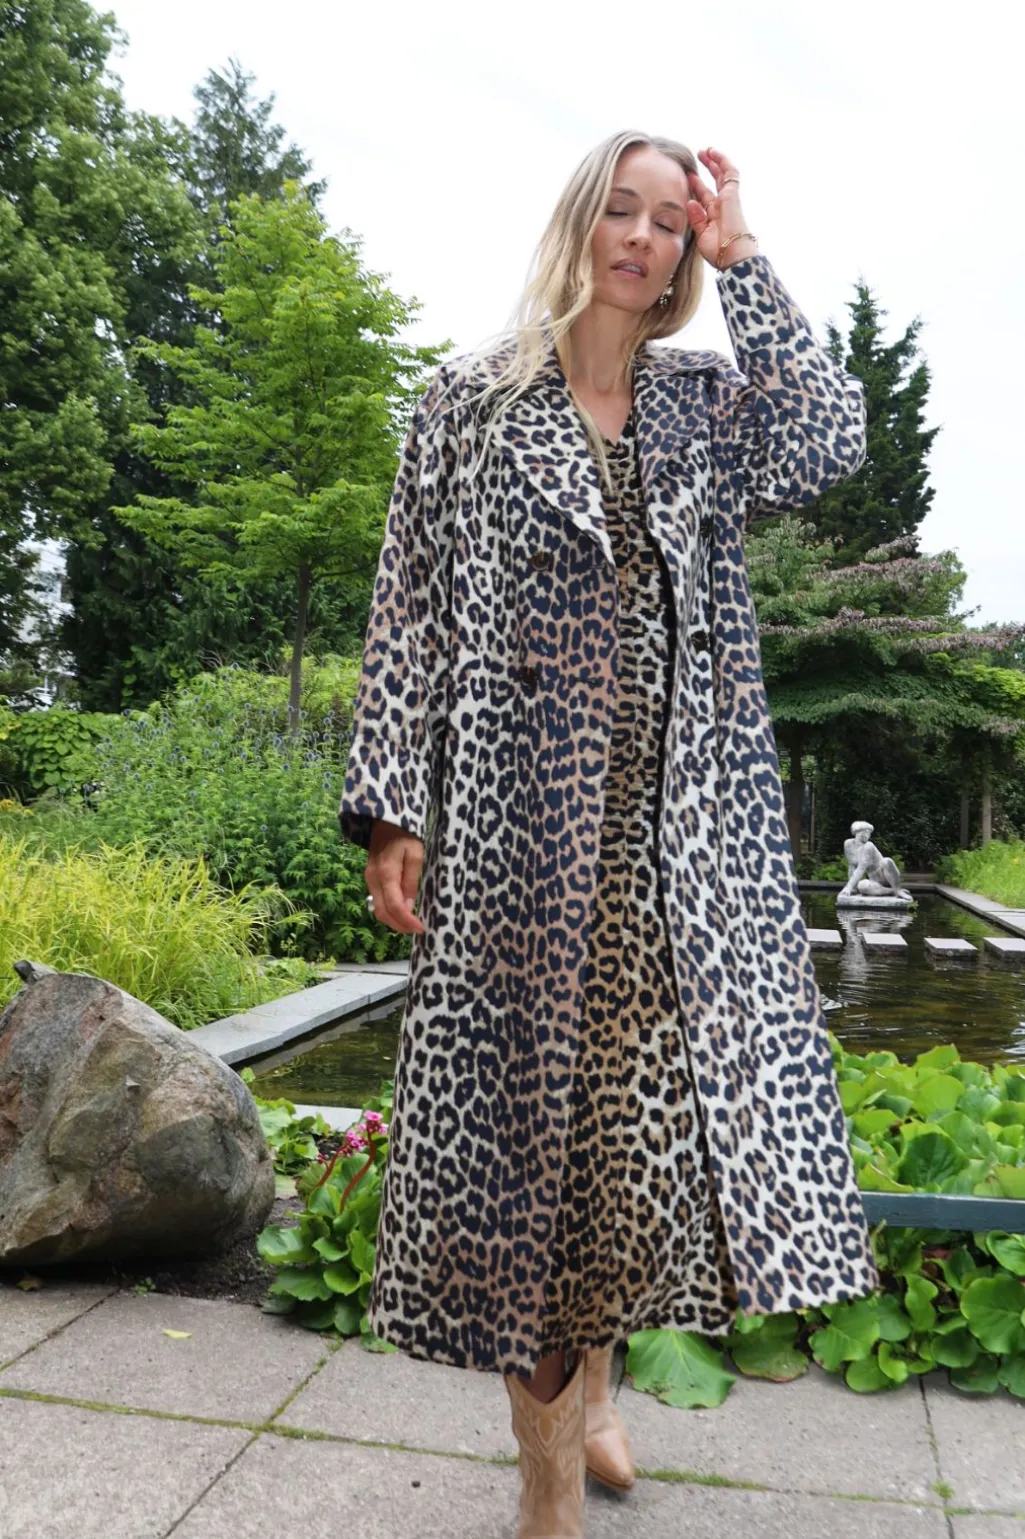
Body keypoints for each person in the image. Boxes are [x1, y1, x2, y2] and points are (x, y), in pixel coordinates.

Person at [339, 130, 880, 1539]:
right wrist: (393, 804)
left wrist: (747, 255)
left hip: (679, 845)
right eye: (620, 211)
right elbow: (409, 607)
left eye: (669, 222)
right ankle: (547, 1481)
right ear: (580, 223)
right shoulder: (469, 401)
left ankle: (595, 1394)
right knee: (531, 1144)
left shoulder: (707, 402)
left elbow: (833, 440)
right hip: (518, 833)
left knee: (633, 1144)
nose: (643, 238)